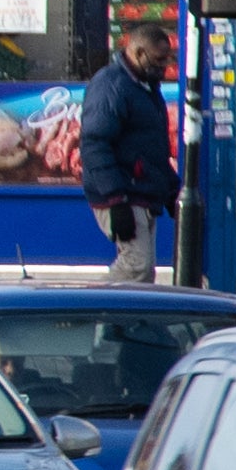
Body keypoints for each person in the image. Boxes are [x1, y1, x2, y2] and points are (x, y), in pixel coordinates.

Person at [80, 25, 182, 281]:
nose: (165, 66)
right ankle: (91, 313)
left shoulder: (145, 88)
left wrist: (171, 190)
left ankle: (124, 321)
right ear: (137, 53)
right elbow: (94, 143)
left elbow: (150, 149)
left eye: (168, 59)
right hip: (122, 193)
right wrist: (116, 200)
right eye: (159, 59)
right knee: (135, 266)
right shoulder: (111, 85)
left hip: (139, 192)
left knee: (143, 272)